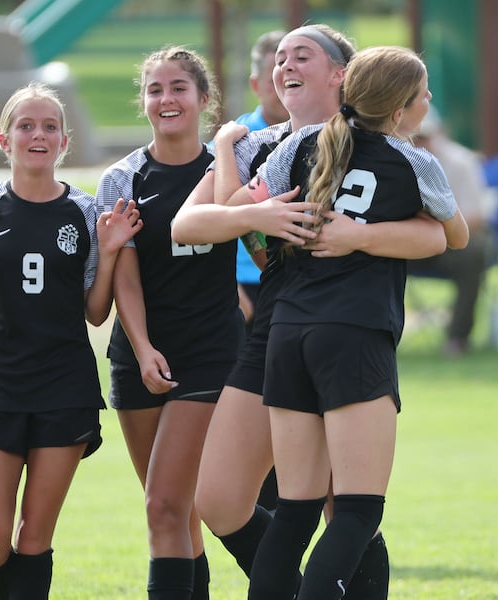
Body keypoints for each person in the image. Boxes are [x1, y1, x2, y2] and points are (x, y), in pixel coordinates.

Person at [173, 26, 451, 600]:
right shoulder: (266, 144)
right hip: (281, 329)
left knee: (335, 505)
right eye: (279, 58)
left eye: (302, 56)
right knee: (225, 500)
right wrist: (254, 209)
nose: (285, 66)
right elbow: (189, 224)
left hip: (335, 323)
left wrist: (359, 235)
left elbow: (436, 233)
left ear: (342, 75)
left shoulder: (384, 150)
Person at [0, 81, 141, 600]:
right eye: (26, 126)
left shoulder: (83, 211)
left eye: (50, 126)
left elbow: (96, 312)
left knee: (34, 537)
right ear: (4, 140)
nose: (38, 135)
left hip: (64, 385)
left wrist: (110, 250)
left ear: (64, 141)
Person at [96, 46, 250, 600]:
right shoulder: (123, 177)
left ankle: (293, 581)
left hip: (211, 351)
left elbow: (256, 237)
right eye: (155, 89)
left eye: (179, 88)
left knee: (165, 504)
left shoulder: (230, 164)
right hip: (138, 356)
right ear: (143, 101)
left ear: (204, 99)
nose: (167, 99)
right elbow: (126, 277)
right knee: (176, 514)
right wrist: (141, 350)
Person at [407, 104, 494, 356]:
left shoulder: (461, 162)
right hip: (406, 243)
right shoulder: (395, 160)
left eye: (425, 136)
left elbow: (476, 216)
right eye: (414, 137)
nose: (420, 143)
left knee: (474, 251)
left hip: (449, 246)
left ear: (439, 133)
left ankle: (457, 337)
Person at [234, 30, 289, 342]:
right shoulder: (236, 143)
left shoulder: (326, 138)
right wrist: (232, 290)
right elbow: (208, 216)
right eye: (274, 79)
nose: (284, 87)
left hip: (301, 281)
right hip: (247, 285)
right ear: (255, 85)